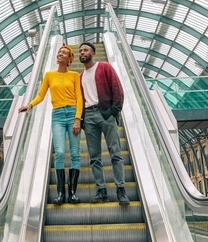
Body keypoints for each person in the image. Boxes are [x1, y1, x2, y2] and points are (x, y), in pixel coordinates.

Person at [19, 45, 83, 205]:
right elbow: (41, 95)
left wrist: (77, 119)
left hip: (73, 113)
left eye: (64, 53)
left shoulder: (75, 75)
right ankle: (61, 193)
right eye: (59, 52)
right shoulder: (49, 75)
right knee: (60, 152)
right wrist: (30, 105)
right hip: (58, 116)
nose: (60, 54)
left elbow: (80, 98)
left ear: (69, 59)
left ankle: (72, 193)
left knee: (75, 154)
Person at [78, 42, 130, 205]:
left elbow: (117, 89)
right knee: (94, 157)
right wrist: (82, 119)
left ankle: (121, 189)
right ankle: (101, 190)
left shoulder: (105, 67)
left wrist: (113, 111)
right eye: (80, 51)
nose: (82, 53)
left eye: (85, 50)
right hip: (89, 116)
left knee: (115, 153)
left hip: (105, 114)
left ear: (93, 53)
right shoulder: (80, 76)